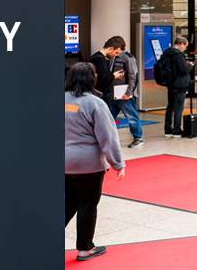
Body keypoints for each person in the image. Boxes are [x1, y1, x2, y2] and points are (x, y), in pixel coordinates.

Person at [64, 62, 126, 261]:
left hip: (63, 163)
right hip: (88, 165)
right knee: (87, 206)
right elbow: (107, 136)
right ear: (91, 79)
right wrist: (117, 163)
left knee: (68, 204)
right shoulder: (95, 103)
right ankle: (85, 248)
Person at [108, 36, 145, 148]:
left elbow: (133, 76)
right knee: (108, 118)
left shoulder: (128, 58)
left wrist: (129, 93)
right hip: (112, 94)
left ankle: (138, 138)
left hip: (124, 94)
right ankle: (107, 139)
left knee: (132, 117)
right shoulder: (111, 57)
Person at [160, 36, 194, 138]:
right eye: (186, 46)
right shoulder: (179, 55)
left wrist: (184, 64)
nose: (185, 49)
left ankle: (167, 129)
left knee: (170, 106)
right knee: (179, 107)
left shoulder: (167, 52)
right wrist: (190, 65)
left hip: (170, 83)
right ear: (182, 44)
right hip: (180, 84)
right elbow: (184, 70)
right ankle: (177, 130)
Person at [89, 38, 126, 116]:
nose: (115, 55)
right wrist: (114, 76)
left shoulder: (96, 57)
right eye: (116, 52)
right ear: (111, 49)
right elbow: (104, 79)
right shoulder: (100, 60)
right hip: (102, 94)